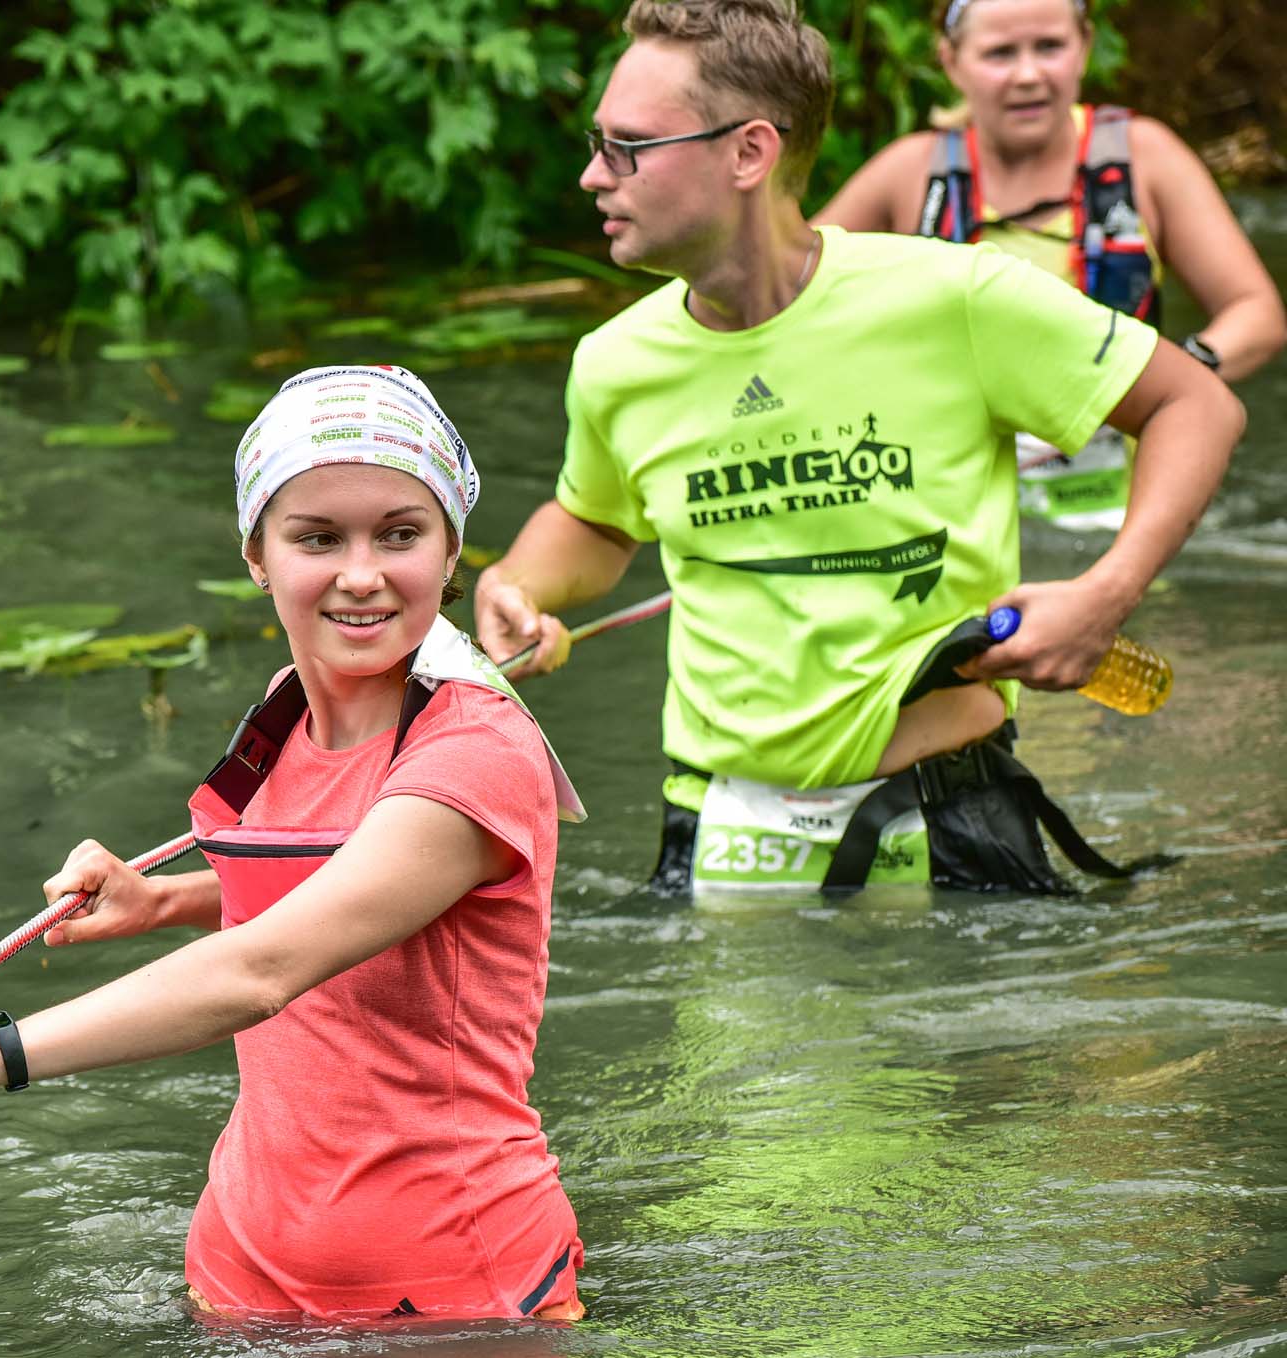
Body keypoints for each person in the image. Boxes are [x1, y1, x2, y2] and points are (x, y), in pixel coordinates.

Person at [0, 365, 590, 1322]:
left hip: (454, 1298)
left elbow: (264, 970)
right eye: (317, 537)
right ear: (257, 552)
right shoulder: (286, 721)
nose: (362, 572)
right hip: (240, 1268)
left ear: (451, 550)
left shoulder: (477, 753)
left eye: (401, 534)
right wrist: (164, 900)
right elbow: (346, 881)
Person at [472, 0, 1244, 898]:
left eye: (628, 148)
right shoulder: (614, 362)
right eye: (599, 143)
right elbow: (597, 523)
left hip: (955, 825)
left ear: (749, 152)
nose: (591, 178)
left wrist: (1104, 595)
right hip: (720, 831)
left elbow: (1197, 406)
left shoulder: (956, 297)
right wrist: (518, 588)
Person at [815, 0, 1283, 531]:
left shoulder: (1146, 158)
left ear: (1083, 48)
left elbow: (1257, 313)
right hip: (953, 507)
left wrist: (1154, 385)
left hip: (1120, 513)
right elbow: (791, 293)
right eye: (999, 53)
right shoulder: (908, 174)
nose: (1028, 74)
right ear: (952, 62)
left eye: (1049, 47)